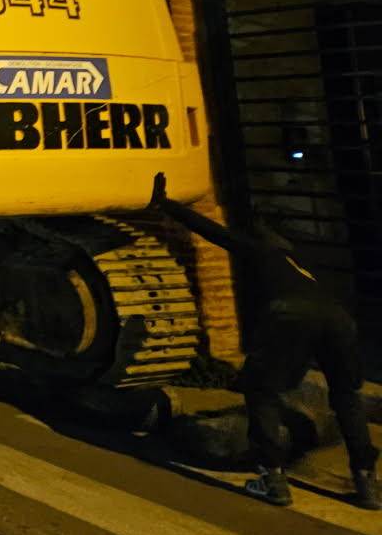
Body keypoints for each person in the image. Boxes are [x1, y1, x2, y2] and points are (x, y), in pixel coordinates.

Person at [150, 171, 379, 509]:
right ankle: (366, 480)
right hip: (338, 319)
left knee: (261, 392)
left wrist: (167, 205)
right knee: (347, 396)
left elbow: (216, 233)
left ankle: (272, 477)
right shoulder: (302, 268)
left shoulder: (262, 252)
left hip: (287, 315)